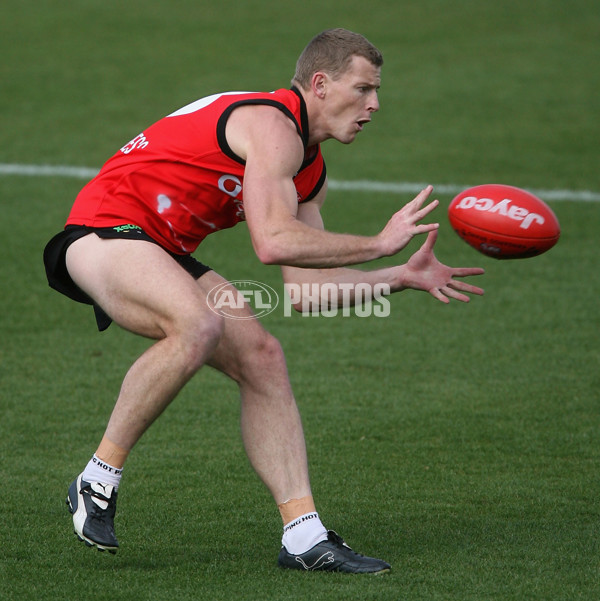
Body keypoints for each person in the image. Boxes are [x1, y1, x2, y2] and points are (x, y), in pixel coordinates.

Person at [43, 28, 484, 574]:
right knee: (198, 324)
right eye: (364, 88)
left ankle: (303, 535)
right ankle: (97, 479)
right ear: (320, 84)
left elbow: (306, 291)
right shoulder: (273, 125)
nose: (375, 104)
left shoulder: (310, 168)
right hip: (103, 232)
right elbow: (272, 241)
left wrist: (398, 274)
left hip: (163, 249)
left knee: (263, 357)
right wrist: (379, 242)